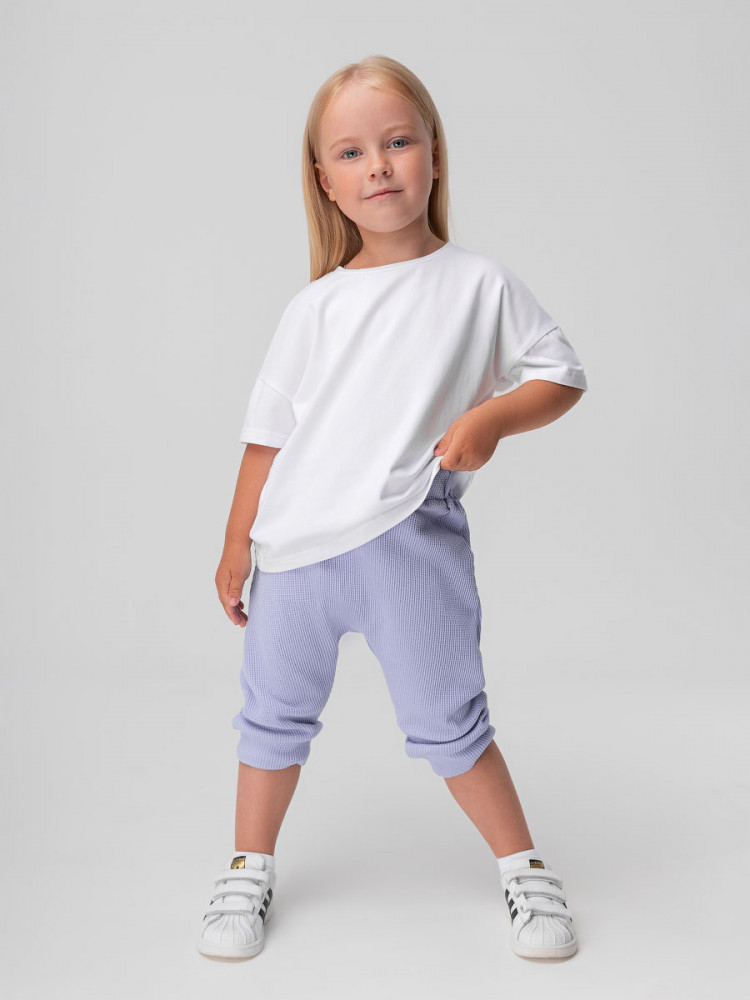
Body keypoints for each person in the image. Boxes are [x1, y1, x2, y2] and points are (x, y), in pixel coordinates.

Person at [197, 55, 588, 963]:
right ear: (325, 182)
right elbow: (267, 436)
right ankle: (247, 867)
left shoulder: (479, 284)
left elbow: (562, 374)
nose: (378, 165)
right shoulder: (315, 308)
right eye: (351, 152)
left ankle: (524, 869)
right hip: (296, 555)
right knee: (272, 719)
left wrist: (492, 420)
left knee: (452, 721)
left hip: (412, 546)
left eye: (398, 142)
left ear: (435, 155)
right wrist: (236, 542)